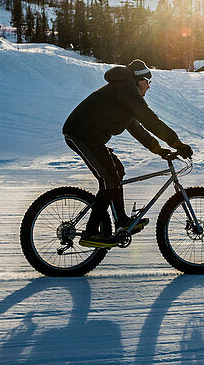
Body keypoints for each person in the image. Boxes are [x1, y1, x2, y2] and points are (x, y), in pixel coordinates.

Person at [63, 58, 193, 248]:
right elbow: (150, 120)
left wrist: (161, 150)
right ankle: (90, 233)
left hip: (89, 137)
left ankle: (121, 220)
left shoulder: (124, 93)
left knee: (116, 171)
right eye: (148, 82)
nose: (149, 87)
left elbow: (138, 129)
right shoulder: (126, 89)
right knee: (110, 178)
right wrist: (177, 143)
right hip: (82, 134)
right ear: (140, 80)